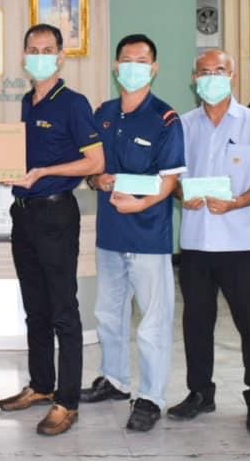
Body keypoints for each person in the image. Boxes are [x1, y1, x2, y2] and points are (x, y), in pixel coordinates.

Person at [168, 49, 250, 434]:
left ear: (232, 75)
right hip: (196, 243)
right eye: (204, 71)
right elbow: (173, 179)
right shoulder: (183, 126)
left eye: (219, 70)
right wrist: (182, 194)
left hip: (242, 245)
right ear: (194, 78)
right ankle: (200, 393)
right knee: (196, 323)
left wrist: (237, 202)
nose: (211, 77)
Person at [0, 24, 104, 436]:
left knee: (63, 310)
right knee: (35, 307)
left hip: (56, 214)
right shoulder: (28, 101)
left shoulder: (73, 103)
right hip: (24, 214)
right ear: (24, 56)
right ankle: (41, 385)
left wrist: (44, 172)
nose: (39, 55)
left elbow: (95, 162)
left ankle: (67, 401)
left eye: (48, 49)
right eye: (33, 49)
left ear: (60, 57)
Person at [80, 33, 185, 433]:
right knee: (108, 313)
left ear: (154, 69)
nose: (133, 66)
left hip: (148, 236)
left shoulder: (165, 118)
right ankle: (115, 379)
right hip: (110, 234)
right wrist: (97, 181)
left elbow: (170, 181)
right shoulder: (103, 113)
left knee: (153, 322)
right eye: (126, 59)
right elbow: (92, 168)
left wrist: (140, 205)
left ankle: (151, 397)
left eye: (142, 61)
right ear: (115, 66)